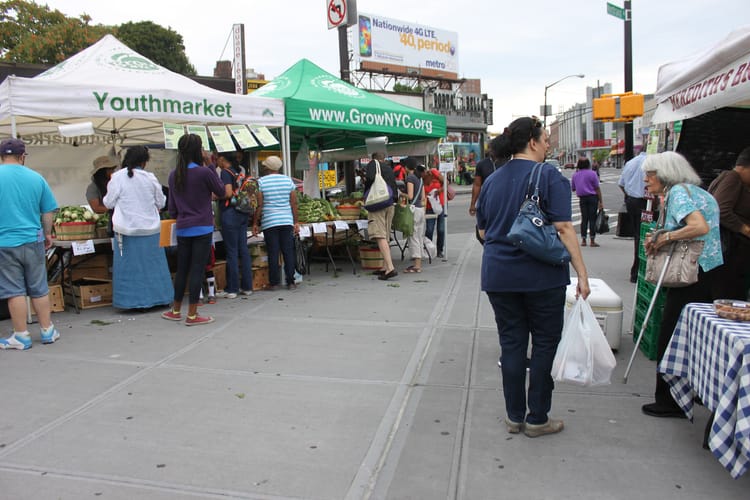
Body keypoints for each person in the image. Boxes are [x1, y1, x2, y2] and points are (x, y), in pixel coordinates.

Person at [475, 117, 590, 438]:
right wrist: (582, 274)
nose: (550, 143)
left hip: (499, 275)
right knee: (544, 343)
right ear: (533, 142)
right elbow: (565, 228)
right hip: (542, 276)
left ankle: (514, 416)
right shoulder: (549, 176)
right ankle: (537, 417)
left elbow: (483, 230)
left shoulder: (493, 180)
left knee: (511, 344)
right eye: (547, 138)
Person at [640, 151, 723, 418]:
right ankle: (690, 392)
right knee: (694, 336)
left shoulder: (677, 193)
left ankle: (669, 400)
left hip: (691, 273)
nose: (646, 180)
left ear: (664, 174)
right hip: (708, 270)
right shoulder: (694, 192)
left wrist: (666, 239)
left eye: (650, 174)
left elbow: (698, 226)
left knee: (672, 334)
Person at [162, 134, 230, 326]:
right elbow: (221, 191)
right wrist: (210, 164)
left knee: (182, 269)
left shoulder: (174, 174)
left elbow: (172, 209)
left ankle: (175, 310)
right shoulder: (204, 172)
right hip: (202, 227)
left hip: (183, 228)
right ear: (198, 150)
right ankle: (192, 315)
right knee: (197, 269)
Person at [0, 138, 60, 350]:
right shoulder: (36, 178)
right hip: (33, 240)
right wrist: (47, 234)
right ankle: (47, 330)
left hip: (5, 242)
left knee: (13, 290)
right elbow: (48, 211)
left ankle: (21, 336)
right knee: (39, 287)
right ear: (22, 156)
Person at [103, 145, 172, 310]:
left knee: (130, 269)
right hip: (151, 230)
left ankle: (131, 302)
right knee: (153, 267)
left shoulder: (117, 177)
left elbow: (108, 202)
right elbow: (161, 202)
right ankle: (159, 298)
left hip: (127, 230)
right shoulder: (150, 178)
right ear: (144, 162)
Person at [707, 146, 750, 301]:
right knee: (729, 295)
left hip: (732, 254)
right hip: (730, 252)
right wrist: (746, 229)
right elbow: (721, 210)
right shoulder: (733, 178)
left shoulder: (730, 178)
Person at [252, 156, 299, 290]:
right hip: (286, 220)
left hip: (270, 221)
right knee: (288, 251)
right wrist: (296, 221)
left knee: (273, 252)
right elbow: (293, 203)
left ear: (267, 167)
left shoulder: (261, 182)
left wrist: (255, 223)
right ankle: (291, 281)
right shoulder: (288, 180)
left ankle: (274, 283)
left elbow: (259, 205)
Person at [217, 151, 253, 298]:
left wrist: (215, 195)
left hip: (230, 213)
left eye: (217, 158)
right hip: (243, 213)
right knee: (243, 249)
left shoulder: (225, 172)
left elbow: (228, 193)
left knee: (231, 251)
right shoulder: (239, 171)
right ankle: (247, 287)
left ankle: (232, 289)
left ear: (222, 159)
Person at [364, 152, 399, 280]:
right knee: (386, 235)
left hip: (378, 203)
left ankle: (390, 268)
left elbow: (370, 178)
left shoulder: (373, 165)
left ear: (373, 158)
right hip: (390, 203)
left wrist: (366, 191)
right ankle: (385, 266)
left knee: (379, 235)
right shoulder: (389, 168)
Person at [619, 151, 648, 282]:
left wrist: (628, 195)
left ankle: (636, 271)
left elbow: (621, 183)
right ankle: (641, 269)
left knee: (638, 235)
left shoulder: (630, 163)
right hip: (646, 201)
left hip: (632, 201)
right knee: (646, 234)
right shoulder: (651, 162)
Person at [571, 157, 603, 247]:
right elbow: (597, 188)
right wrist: (601, 201)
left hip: (582, 199)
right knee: (592, 218)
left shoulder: (575, 175)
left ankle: (583, 240)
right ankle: (592, 240)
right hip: (592, 197)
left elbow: (573, 188)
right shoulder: (592, 174)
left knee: (584, 219)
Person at [403, 159, 426, 273]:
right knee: (419, 236)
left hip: (414, 210)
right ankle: (418, 263)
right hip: (421, 209)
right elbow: (422, 197)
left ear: (407, 167)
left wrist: (401, 193)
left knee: (413, 237)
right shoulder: (420, 178)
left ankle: (417, 266)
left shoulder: (410, 178)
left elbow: (410, 196)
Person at [424, 167, 446, 259]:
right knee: (429, 229)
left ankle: (439, 250)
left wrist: (439, 191)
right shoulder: (421, 180)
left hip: (440, 205)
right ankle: (429, 249)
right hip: (429, 207)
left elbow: (445, 182)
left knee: (441, 229)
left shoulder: (434, 172)